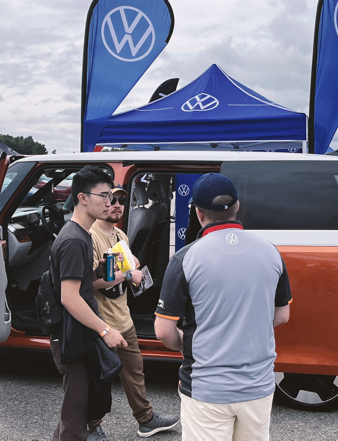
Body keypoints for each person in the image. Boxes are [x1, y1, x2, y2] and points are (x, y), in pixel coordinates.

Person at [154, 173, 292, 441]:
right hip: (258, 385)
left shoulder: (185, 258)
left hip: (207, 388)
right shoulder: (270, 251)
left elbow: (162, 331)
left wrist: (191, 343)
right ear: (237, 206)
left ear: (198, 213)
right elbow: (282, 315)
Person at [90, 183, 180, 438]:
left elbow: (121, 270)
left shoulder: (121, 236)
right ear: (101, 202)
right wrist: (128, 273)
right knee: (99, 377)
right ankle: (92, 426)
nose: (116, 205)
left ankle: (146, 419)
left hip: (123, 316)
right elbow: (91, 281)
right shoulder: (91, 236)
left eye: (121, 201)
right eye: (111, 199)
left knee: (134, 370)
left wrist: (131, 268)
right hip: (101, 321)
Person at [49, 166, 127, 441]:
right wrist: (106, 331)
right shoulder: (73, 239)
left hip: (78, 332)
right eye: (104, 196)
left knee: (76, 412)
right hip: (73, 335)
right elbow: (69, 297)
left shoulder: (81, 234)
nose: (110, 202)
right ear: (82, 198)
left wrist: (99, 272)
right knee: (76, 418)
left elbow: (80, 283)